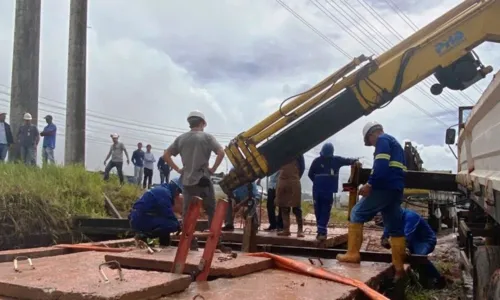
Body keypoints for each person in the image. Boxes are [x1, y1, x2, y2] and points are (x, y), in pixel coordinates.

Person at [336, 121, 407, 281]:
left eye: (370, 142)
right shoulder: (396, 144)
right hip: (396, 189)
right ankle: (399, 269)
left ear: (372, 134)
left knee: (357, 213)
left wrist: (370, 184)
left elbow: (381, 166)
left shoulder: (382, 140)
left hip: (383, 187)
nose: (373, 145)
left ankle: (353, 254)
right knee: (395, 228)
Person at [164, 110, 225, 248]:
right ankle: (216, 242)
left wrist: (178, 169)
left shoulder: (181, 139)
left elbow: (166, 155)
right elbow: (221, 152)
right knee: (211, 210)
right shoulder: (207, 138)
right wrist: (213, 168)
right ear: (202, 123)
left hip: (187, 180)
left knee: (188, 212)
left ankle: (190, 243)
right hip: (203, 179)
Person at [381, 208, 445, 289]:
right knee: (407, 257)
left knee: (419, 257)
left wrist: (400, 247)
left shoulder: (411, 217)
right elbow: (387, 232)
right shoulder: (393, 218)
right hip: (411, 241)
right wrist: (384, 239)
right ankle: (418, 278)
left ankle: (438, 279)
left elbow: (407, 237)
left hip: (424, 241)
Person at [308, 142, 358, 241]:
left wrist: (355, 161)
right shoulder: (318, 161)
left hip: (325, 191)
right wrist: (319, 182)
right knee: (319, 211)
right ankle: (321, 231)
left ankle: (322, 232)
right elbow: (310, 174)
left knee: (324, 210)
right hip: (320, 191)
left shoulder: (334, 160)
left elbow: (347, 161)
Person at [129, 178, 183, 248]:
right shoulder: (164, 193)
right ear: (176, 189)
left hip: (138, 217)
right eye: (178, 192)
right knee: (172, 224)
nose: (178, 195)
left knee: (169, 223)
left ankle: (165, 244)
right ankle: (143, 236)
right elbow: (168, 214)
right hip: (140, 219)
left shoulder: (161, 190)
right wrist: (179, 225)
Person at [276, 154, 306, 238]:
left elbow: (302, 167)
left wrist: (296, 177)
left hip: (294, 180)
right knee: (283, 206)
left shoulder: (299, 153)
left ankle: (300, 230)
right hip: (282, 180)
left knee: (296, 207)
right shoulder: (281, 151)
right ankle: (286, 229)